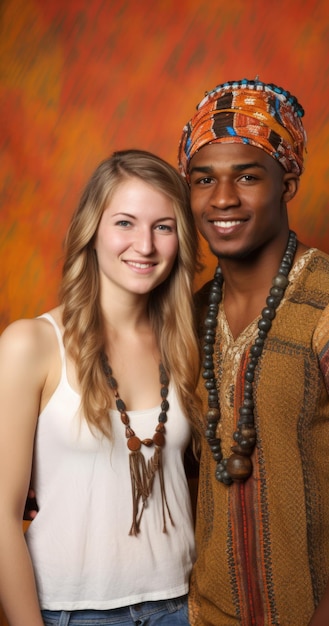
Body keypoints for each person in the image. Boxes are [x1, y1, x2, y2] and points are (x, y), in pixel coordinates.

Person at [177, 78, 329, 626]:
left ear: (287, 182)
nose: (222, 199)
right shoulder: (187, 318)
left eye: (247, 176)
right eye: (202, 179)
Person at [0, 149, 202, 626]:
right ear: (92, 231)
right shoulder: (31, 344)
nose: (145, 246)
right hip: (70, 612)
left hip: (183, 606)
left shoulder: (189, 343)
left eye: (164, 227)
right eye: (126, 223)